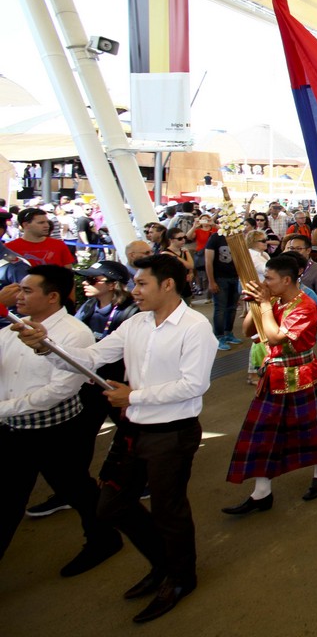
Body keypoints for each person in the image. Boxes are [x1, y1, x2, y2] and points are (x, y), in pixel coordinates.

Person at [13, 253, 217, 623]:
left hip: (172, 433)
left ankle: (181, 577)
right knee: (111, 505)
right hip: (134, 429)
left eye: (142, 284)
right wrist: (46, 346)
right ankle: (163, 564)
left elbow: (193, 385)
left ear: (167, 284)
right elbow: (90, 357)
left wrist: (132, 396)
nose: (133, 290)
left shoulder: (195, 327)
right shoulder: (136, 323)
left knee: (169, 510)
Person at [1, 265, 124, 577]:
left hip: (56, 431)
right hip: (14, 428)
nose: (18, 295)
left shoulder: (74, 332)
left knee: (76, 488)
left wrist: (4, 408)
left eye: (27, 290)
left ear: (52, 296)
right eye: (19, 288)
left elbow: (60, 389)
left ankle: (104, 537)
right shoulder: (11, 328)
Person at [222, 254, 317, 514]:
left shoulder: (304, 305)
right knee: (262, 435)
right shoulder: (275, 299)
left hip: (300, 377)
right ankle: (262, 492)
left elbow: (273, 338)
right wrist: (256, 305)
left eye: (269, 278)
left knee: (308, 431)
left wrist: (264, 305)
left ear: (286, 280)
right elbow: (250, 332)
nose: (265, 282)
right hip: (273, 377)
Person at [204, 226, 242, 351]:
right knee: (220, 308)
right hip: (220, 278)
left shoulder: (237, 238)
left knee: (232, 307)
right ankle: (218, 336)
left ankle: (228, 333)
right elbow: (208, 261)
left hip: (235, 278)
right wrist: (211, 281)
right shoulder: (215, 238)